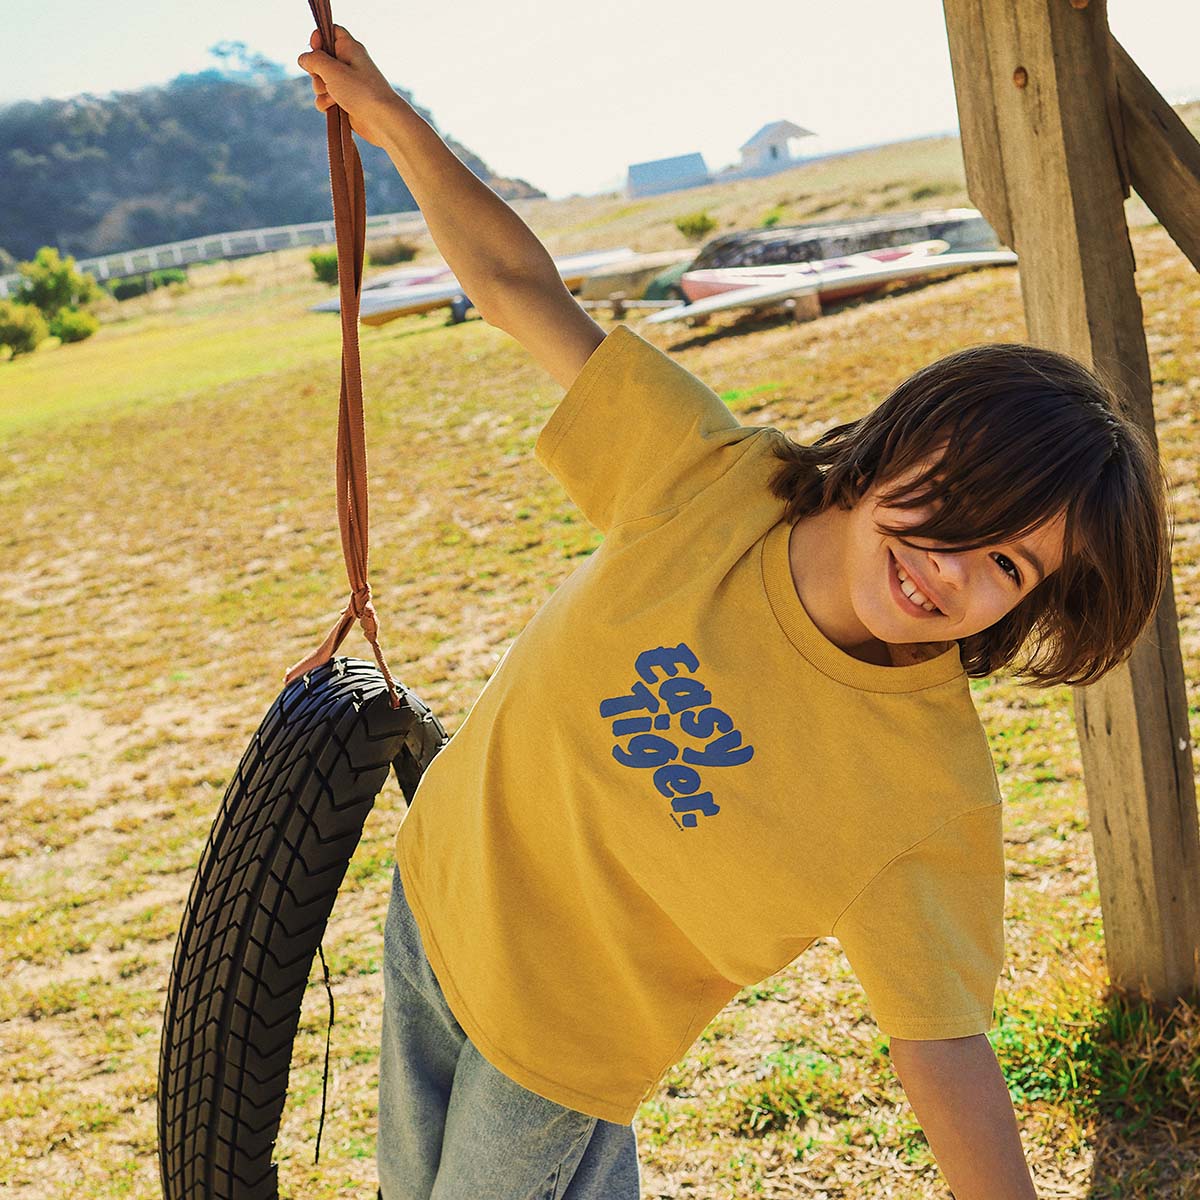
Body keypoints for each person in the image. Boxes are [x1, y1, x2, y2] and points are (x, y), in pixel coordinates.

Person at [297, 26, 1172, 1200]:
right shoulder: (710, 479)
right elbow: (517, 290)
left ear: (1029, 608)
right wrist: (395, 125)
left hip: (555, 1053)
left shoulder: (926, 792)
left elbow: (943, 1043)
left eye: (1009, 566)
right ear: (898, 441)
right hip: (432, 904)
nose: (951, 564)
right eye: (957, 499)